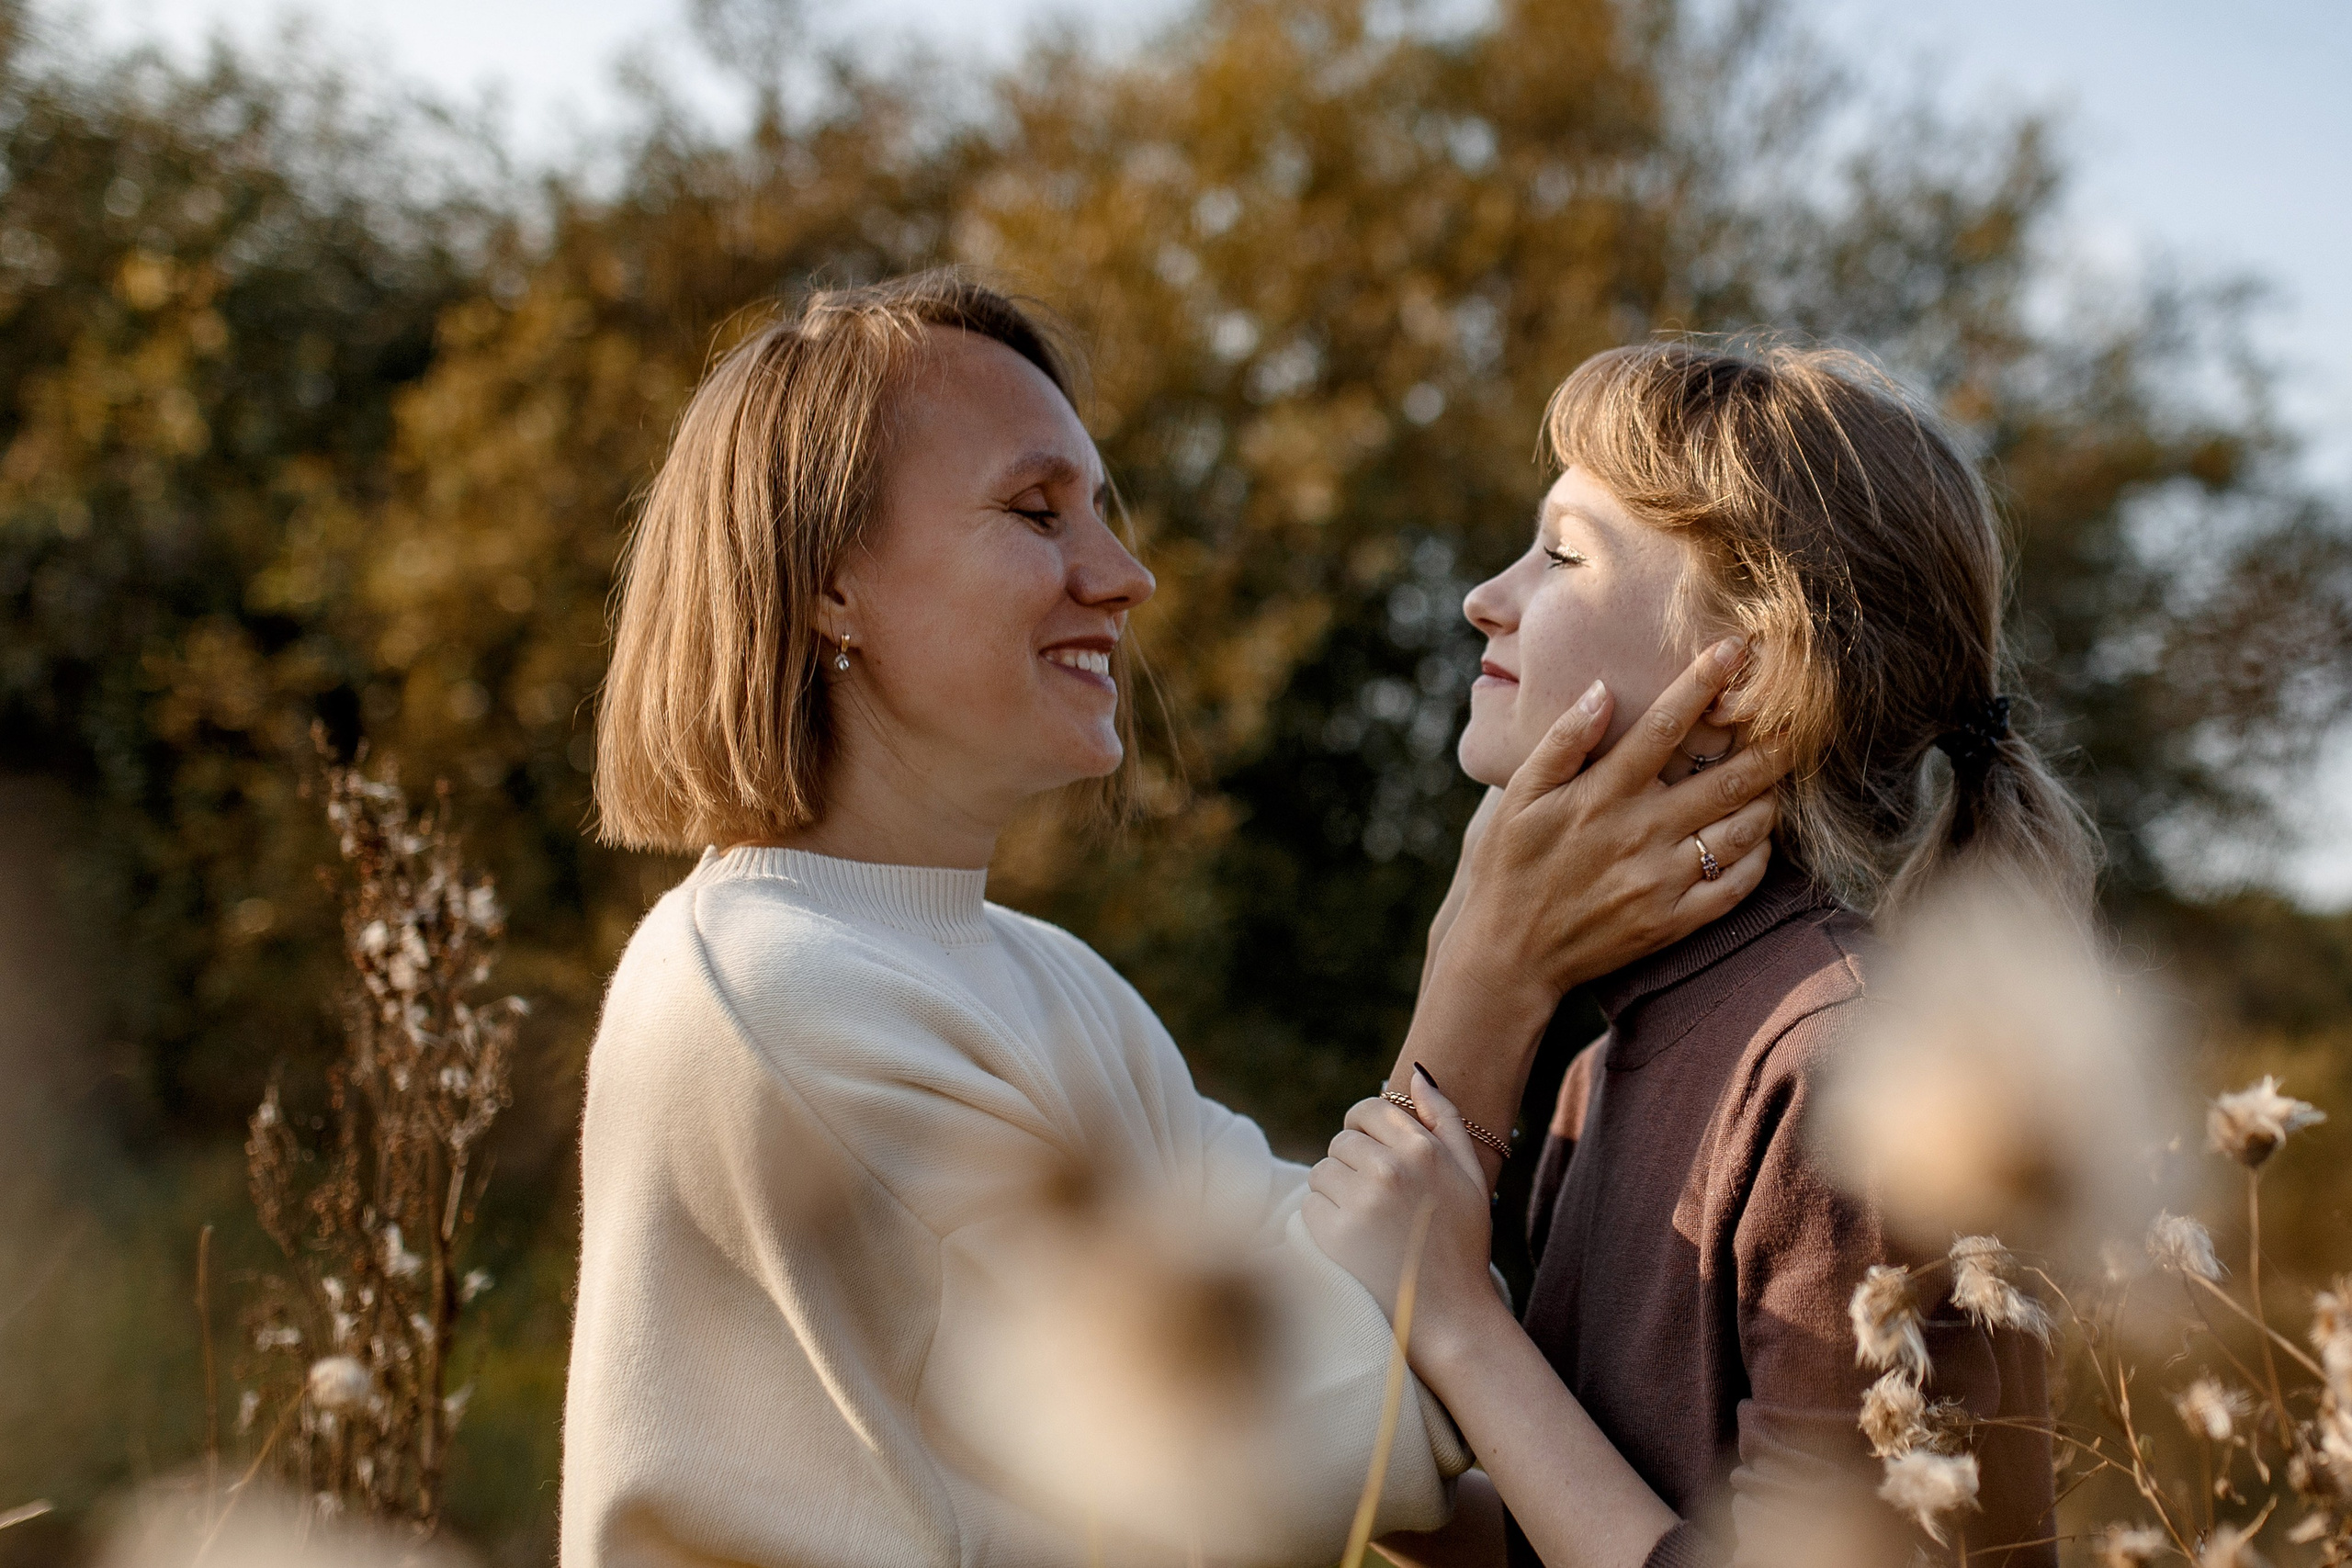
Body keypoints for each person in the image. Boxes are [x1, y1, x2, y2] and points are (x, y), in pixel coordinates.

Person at [559, 272, 1785, 1568]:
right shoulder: (779, 998)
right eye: (1039, 513)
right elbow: (1293, 1448)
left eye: (1104, 513)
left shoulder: (1042, 977)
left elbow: (1326, 1287)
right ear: (826, 584)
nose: (1124, 576)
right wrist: (1487, 968)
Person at [1305, 342, 2098, 1568]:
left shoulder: (1850, 1068)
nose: (1485, 598)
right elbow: (1573, 1529)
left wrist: (1459, 1323)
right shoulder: (1599, 1067)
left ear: (1756, 668)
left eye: (1563, 554)